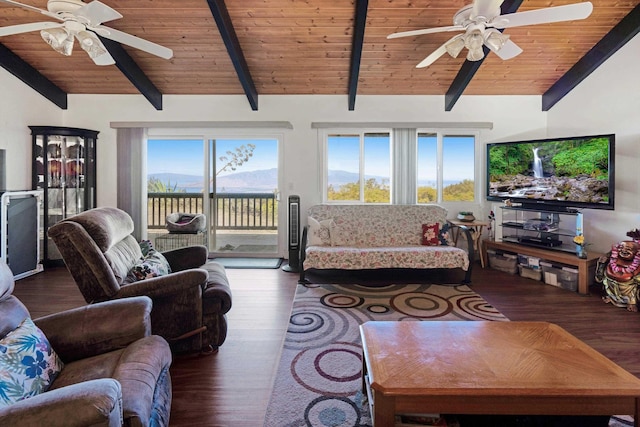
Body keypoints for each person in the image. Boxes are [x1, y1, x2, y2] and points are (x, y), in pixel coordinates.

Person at [596, 239, 640, 312]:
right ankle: (611, 297)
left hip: (628, 290)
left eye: (628, 249)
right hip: (611, 286)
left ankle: (631, 303)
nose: (623, 250)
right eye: (621, 247)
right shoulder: (613, 257)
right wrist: (602, 264)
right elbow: (599, 277)